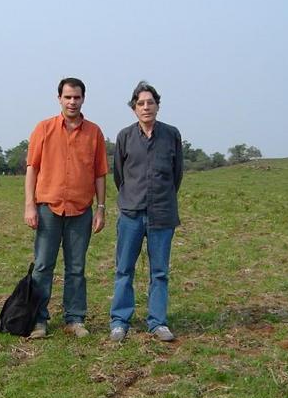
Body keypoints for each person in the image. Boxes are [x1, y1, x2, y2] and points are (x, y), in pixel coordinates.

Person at [24, 77, 108, 339]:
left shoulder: (94, 132)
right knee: (43, 266)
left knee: (76, 267)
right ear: (59, 98)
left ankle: (75, 318)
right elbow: (32, 168)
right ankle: (39, 320)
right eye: (68, 97)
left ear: (84, 99)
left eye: (77, 97)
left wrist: (101, 207)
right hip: (48, 208)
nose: (72, 102)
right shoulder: (44, 128)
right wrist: (30, 205)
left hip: (81, 210)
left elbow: (100, 173)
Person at [109, 81, 183, 342]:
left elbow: (177, 176)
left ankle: (157, 321)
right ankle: (119, 321)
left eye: (150, 102)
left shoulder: (171, 135)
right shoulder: (124, 137)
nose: (146, 107)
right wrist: (132, 197)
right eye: (140, 103)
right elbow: (119, 175)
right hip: (131, 213)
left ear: (158, 106)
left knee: (160, 271)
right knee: (124, 269)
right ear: (134, 108)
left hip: (162, 213)